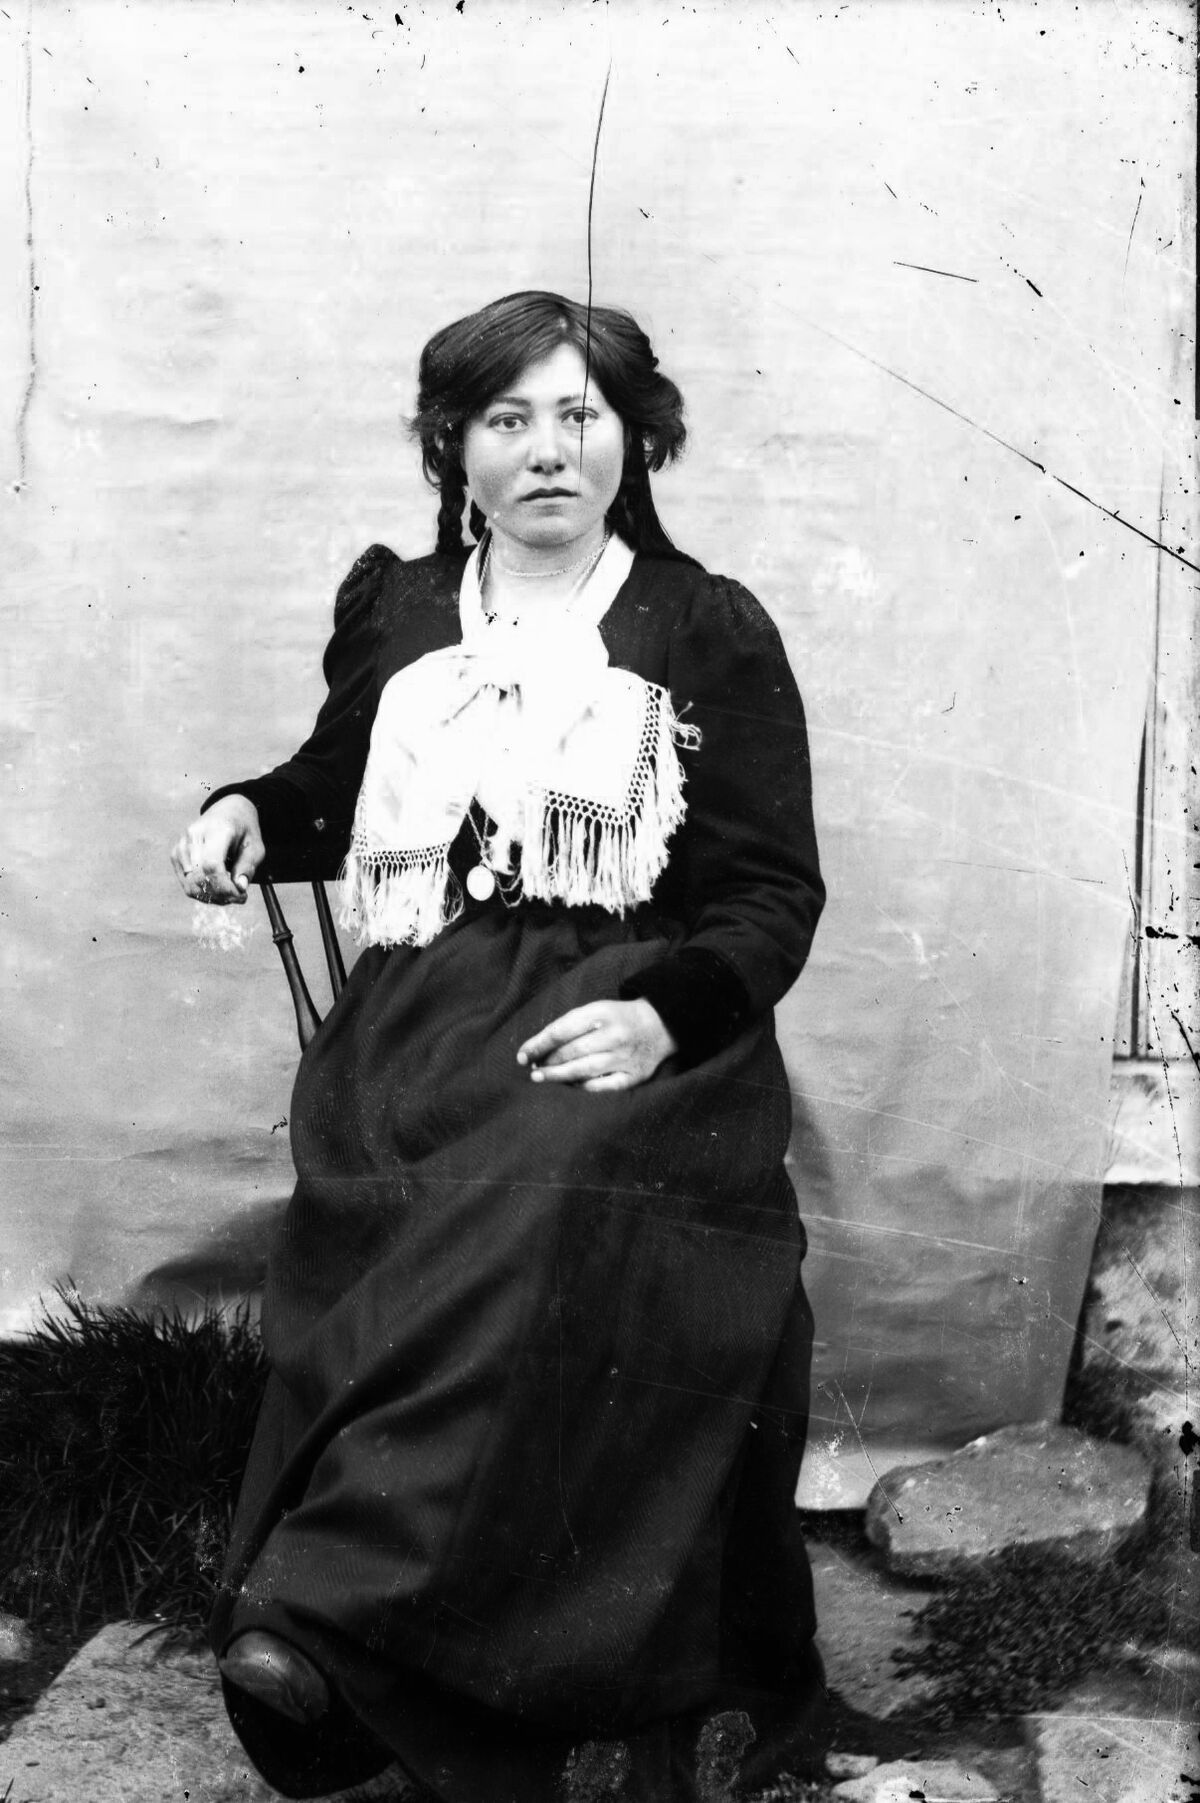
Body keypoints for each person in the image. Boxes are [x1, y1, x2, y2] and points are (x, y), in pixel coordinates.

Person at [171, 290, 827, 1803]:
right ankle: (365, 1649)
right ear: (451, 446)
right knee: (434, 1192)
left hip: (638, 1022)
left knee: (544, 1195)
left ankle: (338, 1622)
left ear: (635, 440)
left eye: (580, 416)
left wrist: (663, 1016)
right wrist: (249, 813)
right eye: (507, 419)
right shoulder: (403, 610)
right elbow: (337, 789)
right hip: (427, 1013)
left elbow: (769, 893)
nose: (548, 451)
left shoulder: (702, 626)